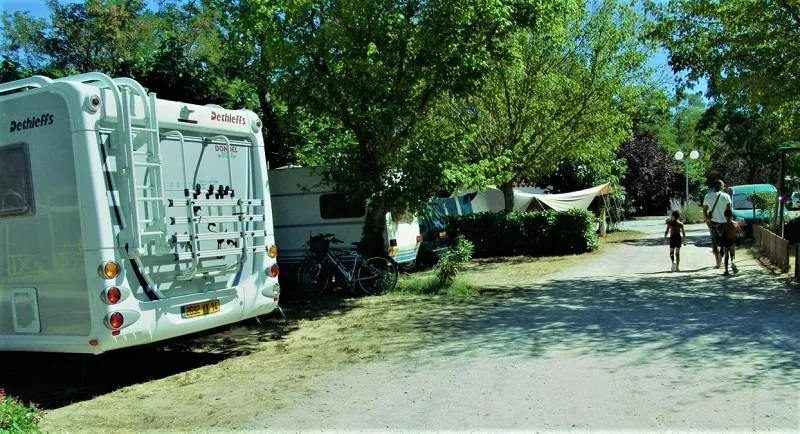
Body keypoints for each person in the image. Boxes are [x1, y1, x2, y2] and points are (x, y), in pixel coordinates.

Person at [702, 180, 732, 268]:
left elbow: (704, 210)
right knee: (724, 242)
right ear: (722, 186)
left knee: (714, 242)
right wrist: (730, 221)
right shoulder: (726, 196)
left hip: (713, 222)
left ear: (714, 187)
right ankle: (723, 260)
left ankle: (718, 262)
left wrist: (706, 220)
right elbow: (728, 210)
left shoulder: (708, 196)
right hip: (724, 222)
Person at [719, 208, 740, 276]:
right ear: (732, 216)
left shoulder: (723, 225)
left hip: (725, 242)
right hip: (732, 241)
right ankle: (733, 263)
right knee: (732, 255)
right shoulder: (736, 224)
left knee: (726, 256)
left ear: (725, 216)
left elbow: (721, 234)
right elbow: (739, 232)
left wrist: (718, 233)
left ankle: (726, 271)